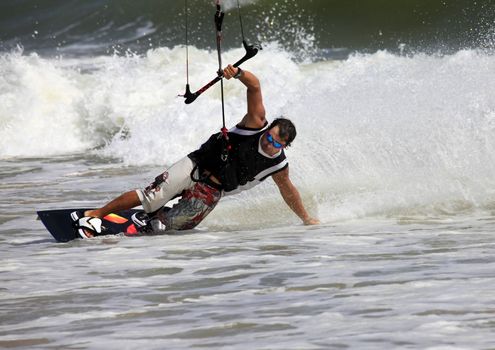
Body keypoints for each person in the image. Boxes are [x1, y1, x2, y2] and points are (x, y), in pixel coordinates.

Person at [71, 64, 319, 238]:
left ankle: (156, 218)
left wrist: (306, 218)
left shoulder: (278, 167)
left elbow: (289, 193)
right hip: (196, 165)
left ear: (285, 147)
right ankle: (95, 214)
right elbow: (254, 86)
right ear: (267, 129)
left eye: (277, 144)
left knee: (172, 228)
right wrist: (238, 73)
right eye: (269, 137)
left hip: (212, 191)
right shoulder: (256, 123)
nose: (269, 144)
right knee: (150, 196)